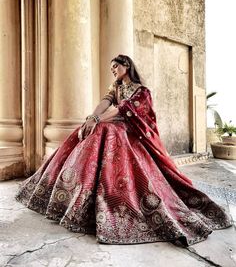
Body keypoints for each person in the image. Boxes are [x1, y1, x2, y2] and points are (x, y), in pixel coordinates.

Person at [16, 54, 232, 246]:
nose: (113, 71)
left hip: (132, 132)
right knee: (93, 130)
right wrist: (91, 119)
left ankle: (111, 197)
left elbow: (123, 110)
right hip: (113, 124)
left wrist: (98, 119)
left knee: (108, 132)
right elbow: (105, 102)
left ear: (126, 65)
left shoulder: (142, 91)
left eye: (115, 67)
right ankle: (74, 192)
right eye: (111, 68)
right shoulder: (116, 87)